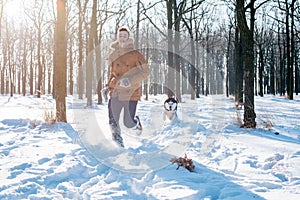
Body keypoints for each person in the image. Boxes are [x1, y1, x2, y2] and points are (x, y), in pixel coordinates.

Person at [104, 27, 150, 147]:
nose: (122, 37)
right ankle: (118, 146)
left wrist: (129, 81)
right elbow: (112, 73)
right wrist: (108, 87)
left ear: (128, 38)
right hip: (115, 92)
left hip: (131, 92)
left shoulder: (136, 54)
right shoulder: (113, 54)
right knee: (112, 120)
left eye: (124, 35)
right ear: (117, 38)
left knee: (128, 123)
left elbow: (145, 72)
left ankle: (137, 124)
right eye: (120, 35)